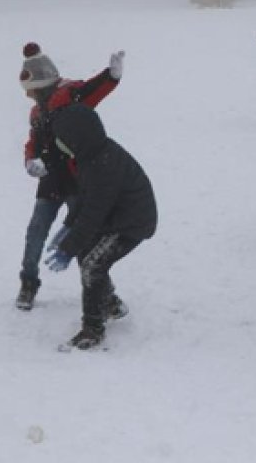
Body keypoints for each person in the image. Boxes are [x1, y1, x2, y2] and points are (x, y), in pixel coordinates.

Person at [15, 42, 124, 311]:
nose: (28, 96)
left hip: (78, 181)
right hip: (50, 182)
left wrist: (110, 76)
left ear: (41, 85)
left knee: (84, 238)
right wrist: (30, 160)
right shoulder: (37, 112)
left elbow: (93, 89)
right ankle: (28, 283)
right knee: (36, 232)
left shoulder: (71, 95)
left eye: (30, 91)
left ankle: (106, 295)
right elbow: (33, 142)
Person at [42, 104, 157, 351]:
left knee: (93, 264)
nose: (60, 144)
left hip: (132, 222)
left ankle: (92, 329)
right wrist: (68, 227)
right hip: (114, 217)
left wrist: (68, 247)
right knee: (87, 256)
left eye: (63, 139)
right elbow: (85, 198)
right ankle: (110, 304)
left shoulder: (103, 164)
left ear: (77, 137)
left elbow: (94, 212)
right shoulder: (90, 156)